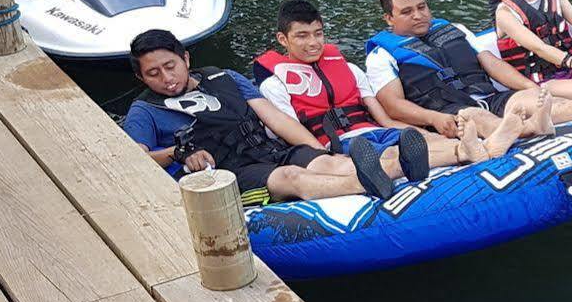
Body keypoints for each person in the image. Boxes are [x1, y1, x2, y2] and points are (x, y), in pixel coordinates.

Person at [122, 30, 415, 204]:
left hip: (268, 151)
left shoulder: (223, 77)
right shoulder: (145, 110)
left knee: (328, 162)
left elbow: (275, 119)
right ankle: (368, 185)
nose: (166, 77)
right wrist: (176, 152)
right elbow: (135, 159)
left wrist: (316, 147)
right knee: (292, 177)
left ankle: (403, 167)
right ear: (140, 77)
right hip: (230, 176)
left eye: (170, 65)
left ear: (185, 58)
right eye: (153, 73)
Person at [251, 0, 499, 172]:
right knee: (388, 154)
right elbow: (291, 134)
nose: (313, 42)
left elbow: (384, 120)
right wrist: (328, 159)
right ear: (283, 39)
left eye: (318, 33)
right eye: (302, 36)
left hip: (374, 130)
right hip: (338, 144)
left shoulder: (349, 69)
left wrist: (424, 133)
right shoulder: (274, 85)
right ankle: (468, 152)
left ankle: (476, 147)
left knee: (423, 139)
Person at [364, 0, 572, 143]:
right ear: (389, 18)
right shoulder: (381, 56)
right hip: (448, 115)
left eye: (422, 7)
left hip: (490, 98)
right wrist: (433, 119)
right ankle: (529, 128)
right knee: (474, 116)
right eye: (407, 12)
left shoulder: (455, 29)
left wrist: (529, 87)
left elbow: (491, 63)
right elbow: (393, 105)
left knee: (533, 101)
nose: (418, 15)